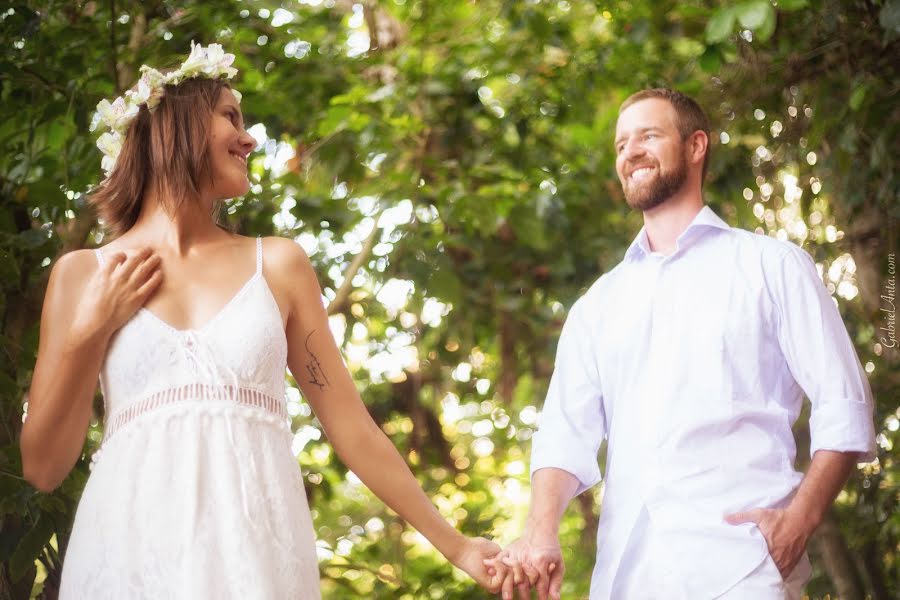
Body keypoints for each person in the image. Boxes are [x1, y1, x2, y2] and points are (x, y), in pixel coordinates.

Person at [20, 42, 501, 599]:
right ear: (172, 124)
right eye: (230, 116)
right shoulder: (84, 274)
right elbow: (43, 466)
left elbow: (351, 426)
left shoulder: (278, 264)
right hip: (126, 555)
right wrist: (91, 329)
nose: (249, 138)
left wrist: (459, 546)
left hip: (259, 556)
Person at [486, 88, 876, 600]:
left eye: (648, 135)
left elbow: (844, 403)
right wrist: (540, 531)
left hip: (741, 571)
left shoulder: (771, 265)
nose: (630, 152)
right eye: (622, 144)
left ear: (696, 146)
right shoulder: (597, 305)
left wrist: (798, 522)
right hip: (626, 578)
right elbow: (564, 432)